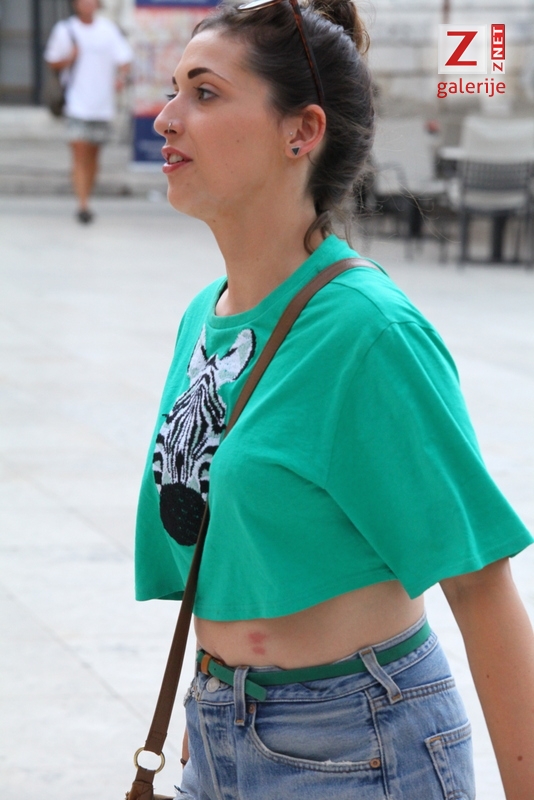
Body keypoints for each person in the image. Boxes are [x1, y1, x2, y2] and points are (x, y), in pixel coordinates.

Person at [135, 0, 534, 797]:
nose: (167, 118)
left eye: (205, 93)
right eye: (174, 90)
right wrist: (212, 712)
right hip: (219, 734)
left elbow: (478, 586)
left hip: (357, 745)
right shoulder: (205, 315)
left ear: (302, 132)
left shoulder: (368, 331)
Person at [44, 0, 133, 223]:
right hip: (76, 104)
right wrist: (70, 58)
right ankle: (82, 205)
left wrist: (121, 78)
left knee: (93, 156)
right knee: (79, 153)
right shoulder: (65, 29)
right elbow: (51, 61)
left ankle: (87, 197)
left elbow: (124, 59)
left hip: (102, 105)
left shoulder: (108, 30)